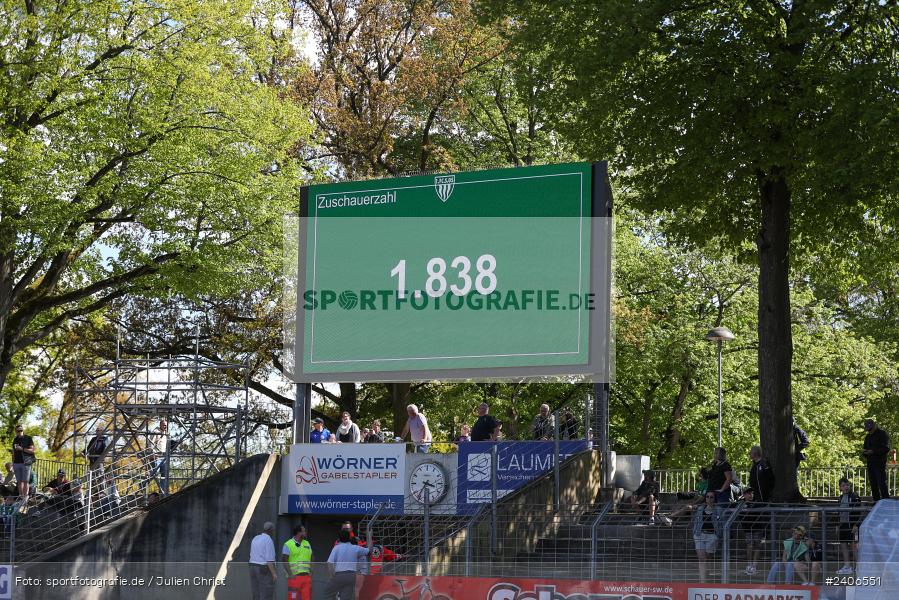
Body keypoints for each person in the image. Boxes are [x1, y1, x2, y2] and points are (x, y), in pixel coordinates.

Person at [324, 529, 369, 600]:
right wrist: (369, 536)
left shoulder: (337, 548)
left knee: (327, 592)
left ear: (339, 538)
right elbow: (369, 550)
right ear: (349, 537)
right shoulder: (355, 548)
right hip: (351, 576)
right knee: (346, 597)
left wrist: (332, 575)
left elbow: (329, 563)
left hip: (339, 575)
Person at [692, 491, 721, 582]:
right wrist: (695, 532)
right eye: (707, 497)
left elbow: (722, 524)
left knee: (707, 557)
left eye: (711, 497)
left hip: (712, 536)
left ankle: (706, 573)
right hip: (700, 534)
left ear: (714, 499)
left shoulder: (719, 509)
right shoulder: (700, 508)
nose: (709, 499)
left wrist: (718, 536)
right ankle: (703, 582)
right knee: (702, 558)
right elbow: (696, 521)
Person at [836, 477, 861, 574]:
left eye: (847, 485)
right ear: (840, 488)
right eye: (843, 485)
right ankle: (847, 566)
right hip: (843, 525)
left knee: (854, 546)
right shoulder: (840, 498)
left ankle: (858, 566)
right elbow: (839, 513)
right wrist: (837, 525)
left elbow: (858, 512)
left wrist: (856, 525)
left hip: (852, 525)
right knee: (843, 545)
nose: (846, 487)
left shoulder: (854, 496)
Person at [739, 488, 767, 575]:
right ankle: (749, 564)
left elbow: (761, 512)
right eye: (748, 493)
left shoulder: (757, 503)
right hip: (748, 529)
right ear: (744, 494)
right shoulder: (741, 503)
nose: (750, 495)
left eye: (751, 493)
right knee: (750, 546)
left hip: (758, 528)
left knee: (757, 547)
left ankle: (754, 565)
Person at [282, 524, 313, 600]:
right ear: (299, 533)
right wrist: (290, 575)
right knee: (293, 598)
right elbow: (284, 560)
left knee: (306, 598)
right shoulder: (288, 544)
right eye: (304, 531)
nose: (305, 533)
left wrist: (311, 570)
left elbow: (312, 557)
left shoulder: (307, 543)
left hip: (306, 577)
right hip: (294, 577)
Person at [862, 419, 890, 500]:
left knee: (881, 483)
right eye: (868, 430)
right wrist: (865, 452)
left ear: (874, 426)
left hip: (879, 463)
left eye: (870, 429)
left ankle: (886, 500)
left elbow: (886, 448)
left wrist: (873, 451)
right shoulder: (867, 437)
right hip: (870, 463)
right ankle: (876, 501)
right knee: (873, 484)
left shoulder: (882, 434)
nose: (869, 432)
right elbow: (865, 448)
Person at [249, 521, 278, 600]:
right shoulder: (268, 540)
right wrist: (274, 573)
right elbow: (269, 560)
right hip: (263, 568)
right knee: (266, 593)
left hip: (252, 566)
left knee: (256, 592)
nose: (274, 531)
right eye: (273, 530)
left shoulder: (256, 538)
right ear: (270, 530)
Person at [12, 424, 35, 501]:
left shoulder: (28, 438)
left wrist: (22, 449)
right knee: (19, 481)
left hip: (26, 463)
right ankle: (21, 497)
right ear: (16, 432)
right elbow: (13, 452)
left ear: (23, 430)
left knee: (25, 481)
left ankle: (25, 497)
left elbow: (32, 451)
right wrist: (13, 462)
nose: (20, 432)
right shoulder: (15, 439)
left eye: (21, 430)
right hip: (16, 463)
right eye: (18, 431)